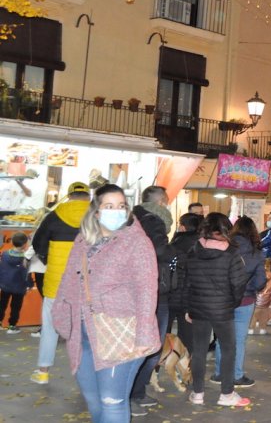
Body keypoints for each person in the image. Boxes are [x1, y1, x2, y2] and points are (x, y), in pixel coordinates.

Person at [52, 184, 160, 422]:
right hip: (84, 334)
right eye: (109, 206)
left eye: (121, 206)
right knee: (93, 400)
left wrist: (143, 335)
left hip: (123, 334)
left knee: (113, 403)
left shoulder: (137, 242)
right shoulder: (83, 240)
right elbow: (68, 279)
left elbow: (147, 291)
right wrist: (60, 314)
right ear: (97, 212)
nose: (116, 211)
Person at [184, 213, 250, 408]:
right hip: (223, 310)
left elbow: (187, 283)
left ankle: (197, 393)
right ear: (225, 230)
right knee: (229, 349)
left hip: (199, 308)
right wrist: (232, 303)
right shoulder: (231, 254)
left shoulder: (193, 251)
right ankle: (227, 394)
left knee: (199, 350)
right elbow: (239, 284)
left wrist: (190, 307)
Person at [30, 181, 90, 385]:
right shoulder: (96, 216)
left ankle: (43, 372)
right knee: (85, 329)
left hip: (56, 281)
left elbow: (38, 243)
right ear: (88, 197)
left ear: (69, 195)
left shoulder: (54, 215)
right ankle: (84, 374)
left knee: (50, 327)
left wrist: (49, 260)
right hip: (86, 282)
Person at [130, 185, 174, 415]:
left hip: (135, 289)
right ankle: (133, 393)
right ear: (160, 202)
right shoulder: (155, 221)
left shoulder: (132, 217)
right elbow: (158, 251)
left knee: (139, 344)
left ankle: (134, 392)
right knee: (151, 345)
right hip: (154, 289)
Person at [210, 216, 266, 389]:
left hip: (223, 300)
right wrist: (252, 288)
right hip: (245, 300)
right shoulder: (256, 253)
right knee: (239, 339)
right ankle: (236, 375)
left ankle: (220, 373)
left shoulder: (224, 248)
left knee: (222, 338)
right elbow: (260, 281)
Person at [166, 212, 202, 354]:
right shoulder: (202, 245)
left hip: (171, 295)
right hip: (192, 298)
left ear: (182, 227)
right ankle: (186, 369)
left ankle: (158, 368)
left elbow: (168, 269)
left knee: (164, 335)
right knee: (188, 338)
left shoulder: (175, 245)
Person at [0, 232, 29, 334]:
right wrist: (29, 285)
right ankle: (12, 326)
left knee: (2, 304)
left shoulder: (5, 254)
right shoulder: (25, 258)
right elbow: (26, 273)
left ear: (11, 242)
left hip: (5, 285)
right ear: (25, 244)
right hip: (19, 287)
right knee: (16, 307)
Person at [250, 259, 271, 336]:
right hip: (266, 300)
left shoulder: (257, 276)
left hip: (256, 300)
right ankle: (262, 329)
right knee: (264, 316)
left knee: (253, 315)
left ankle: (251, 329)